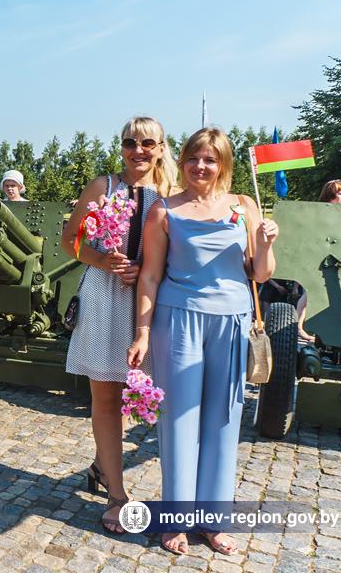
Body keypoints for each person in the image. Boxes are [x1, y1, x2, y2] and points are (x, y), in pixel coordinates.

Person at [127, 127, 279, 556]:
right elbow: (150, 276)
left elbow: (260, 273)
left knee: (224, 419)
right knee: (179, 420)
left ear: (223, 164)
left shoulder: (244, 206)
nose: (200, 166)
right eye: (193, 158)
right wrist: (142, 332)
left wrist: (266, 243)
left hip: (232, 322)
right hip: (178, 322)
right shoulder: (163, 210)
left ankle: (214, 521)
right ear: (183, 162)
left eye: (210, 159)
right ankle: (176, 519)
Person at [60, 116, 177, 533]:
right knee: (107, 398)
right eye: (130, 142)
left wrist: (146, 269)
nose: (138, 150)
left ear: (161, 148)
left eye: (147, 143)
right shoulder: (102, 187)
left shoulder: (173, 194)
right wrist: (102, 259)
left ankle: (100, 464)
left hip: (154, 301)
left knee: (150, 393)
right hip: (105, 298)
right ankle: (116, 494)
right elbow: (69, 240)